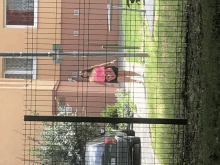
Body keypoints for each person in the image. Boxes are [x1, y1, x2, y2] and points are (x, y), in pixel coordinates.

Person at [78, 59, 144, 87]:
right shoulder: (91, 80)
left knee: (125, 72)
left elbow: (101, 65)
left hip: (110, 70)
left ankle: (140, 74)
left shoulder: (93, 68)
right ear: (83, 76)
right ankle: (137, 81)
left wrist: (110, 63)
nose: (84, 74)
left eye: (83, 72)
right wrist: (108, 85)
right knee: (124, 79)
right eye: (83, 75)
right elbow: (100, 84)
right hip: (109, 78)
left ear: (85, 70)